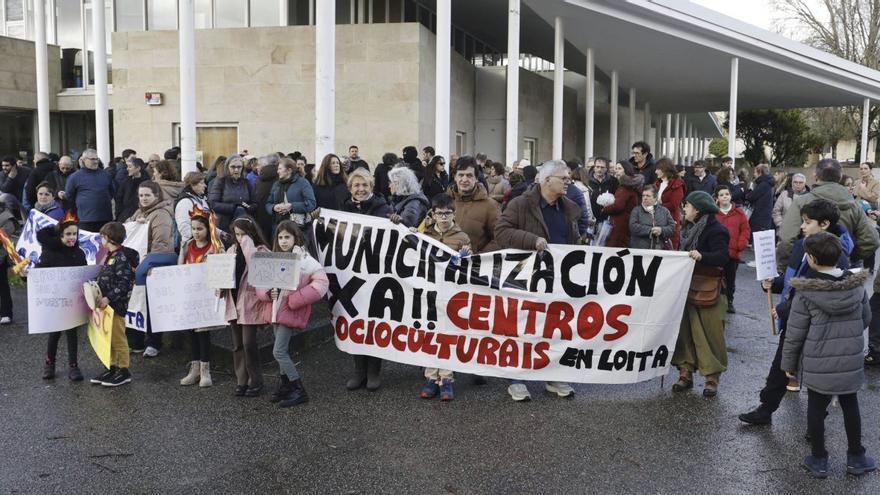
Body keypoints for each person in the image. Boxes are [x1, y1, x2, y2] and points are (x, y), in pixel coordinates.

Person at [740, 199, 853, 425]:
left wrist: (783, 309)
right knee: (781, 364)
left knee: (815, 376)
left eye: (807, 222)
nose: (802, 227)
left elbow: (816, 293)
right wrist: (776, 283)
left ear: (824, 224)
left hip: (817, 326)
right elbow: (796, 280)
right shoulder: (803, 245)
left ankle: (817, 423)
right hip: (794, 321)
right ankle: (766, 408)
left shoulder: (835, 254)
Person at [781, 232, 874, 478]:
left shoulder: (805, 294)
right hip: (850, 359)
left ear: (811, 259)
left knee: (815, 407)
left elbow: (795, 333)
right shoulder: (856, 287)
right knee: (850, 405)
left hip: (817, 361)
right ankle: (856, 456)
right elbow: (866, 319)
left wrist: (789, 364)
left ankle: (819, 458)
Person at [494, 160, 579, 401]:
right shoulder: (520, 204)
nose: (568, 182)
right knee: (522, 326)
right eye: (563, 178)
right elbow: (501, 232)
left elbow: (573, 239)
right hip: (523, 275)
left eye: (568, 178)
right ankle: (516, 378)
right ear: (546, 180)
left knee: (553, 326)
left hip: (557, 277)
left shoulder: (568, 208)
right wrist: (531, 239)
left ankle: (553, 376)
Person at [256, 221, 328, 407]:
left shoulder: (305, 260)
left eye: (287, 237)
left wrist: (296, 299)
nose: (283, 241)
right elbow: (262, 283)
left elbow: (321, 283)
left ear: (296, 237)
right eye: (280, 237)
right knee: (282, 351)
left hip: (289, 310)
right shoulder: (275, 257)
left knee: (278, 351)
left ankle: (299, 389)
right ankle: (286, 386)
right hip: (275, 310)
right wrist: (267, 293)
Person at [672, 191, 730, 397]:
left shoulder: (717, 230)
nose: (684, 209)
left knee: (709, 333)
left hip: (708, 288)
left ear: (697, 210)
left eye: (687, 206)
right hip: (686, 286)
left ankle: (712, 378)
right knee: (685, 332)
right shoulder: (687, 230)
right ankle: (685, 372)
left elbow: (723, 257)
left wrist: (703, 255)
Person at [777, 159, 880, 271]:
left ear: (815, 175)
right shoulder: (854, 205)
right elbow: (871, 240)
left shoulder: (802, 201)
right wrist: (847, 256)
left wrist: (786, 268)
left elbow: (786, 240)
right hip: (841, 270)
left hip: (808, 268)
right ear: (840, 176)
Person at [341, 170, 392, 391]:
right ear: (350, 188)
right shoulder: (343, 209)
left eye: (364, 185)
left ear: (371, 186)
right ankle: (359, 370)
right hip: (351, 274)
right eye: (356, 185)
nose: (360, 189)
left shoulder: (383, 209)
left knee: (373, 320)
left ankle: (373, 371)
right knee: (355, 320)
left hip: (375, 274)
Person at [419, 194, 469, 401]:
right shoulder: (425, 234)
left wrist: (466, 257)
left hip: (450, 294)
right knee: (430, 334)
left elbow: (470, 268)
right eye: (439, 213)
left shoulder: (462, 237)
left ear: (453, 214)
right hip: (429, 291)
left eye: (448, 213)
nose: (444, 217)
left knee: (447, 335)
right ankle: (431, 377)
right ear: (433, 214)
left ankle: (446, 378)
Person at [126, 181, 176, 357]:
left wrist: (147, 264)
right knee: (137, 302)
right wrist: (135, 223)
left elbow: (161, 244)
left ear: (157, 196)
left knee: (150, 303)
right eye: (141, 195)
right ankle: (136, 341)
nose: (144, 199)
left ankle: (154, 342)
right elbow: (126, 230)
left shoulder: (161, 214)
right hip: (141, 261)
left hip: (156, 262)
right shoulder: (140, 212)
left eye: (147, 195)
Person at [35, 213, 87, 381]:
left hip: (72, 302)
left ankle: (73, 366)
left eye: (75, 234)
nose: (72, 237)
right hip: (55, 301)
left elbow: (84, 273)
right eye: (68, 234)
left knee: (72, 334)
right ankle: (49, 363)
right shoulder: (50, 252)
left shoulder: (79, 253)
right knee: (54, 334)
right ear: (61, 236)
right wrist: (25, 275)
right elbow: (39, 273)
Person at [222, 217, 271, 397]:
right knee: (237, 345)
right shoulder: (231, 250)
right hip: (234, 300)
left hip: (250, 302)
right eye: (237, 234)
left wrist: (248, 245)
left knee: (248, 342)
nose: (240, 238)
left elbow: (258, 268)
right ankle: (241, 380)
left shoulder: (261, 250)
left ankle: (256, 380)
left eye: (244, 234)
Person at [177, 207, 223, 388]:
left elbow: (221, 272)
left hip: (205, 296)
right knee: (191, 335)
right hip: (189, 296)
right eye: (193, 229)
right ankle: (194, 369)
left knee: (203, 335)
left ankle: (206, 371)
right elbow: (179, 269)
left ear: (208, 229)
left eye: (200, 229)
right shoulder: (186, 245)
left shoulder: (215, 248)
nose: (196, 233)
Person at [91, 222, 138, 387]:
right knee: (107, 338)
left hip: (115, 307)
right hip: (105, 307)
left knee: (118, 338)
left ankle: (123, 370)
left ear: (108, 238)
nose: (101, 240)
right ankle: (112, 367)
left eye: (102, 237)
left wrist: (108, 298)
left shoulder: (121, 257)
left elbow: (124, 284)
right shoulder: (110, 255)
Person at [447, 156, 500, 253]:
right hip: (444, 264)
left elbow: (500, 238)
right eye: (461, 175)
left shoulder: (490, 206)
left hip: (474, 265)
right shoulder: (444, 201)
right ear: (455, 177)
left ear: (476, 178)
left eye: (469, 175)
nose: (464, 179)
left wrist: (478, 258)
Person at [714, 185, 750, 314]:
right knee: (716, 277)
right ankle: (715, 299)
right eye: (721, 195)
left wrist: (741, 244)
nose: (725, 197)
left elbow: (745, 230)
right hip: (717, 253)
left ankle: (729, 301)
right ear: (717, 198)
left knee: (730, 279)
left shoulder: (739, 213)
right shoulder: (713, 213)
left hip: (733, 253)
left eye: (727, 194)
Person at [65, 149, 114, 232]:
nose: (95, 162)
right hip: (85, 219)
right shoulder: (75, 177)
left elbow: (112, 192)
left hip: (105, 218)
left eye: (96, 159)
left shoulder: (106, 175)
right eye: (92, 159)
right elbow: (69, 195)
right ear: (84, 160)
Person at [208, 155, 257, 231]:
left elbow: (255, 202)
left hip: (242, 224)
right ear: (227, 167)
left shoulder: (246, 183)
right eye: (233, 167)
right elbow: (213, 204)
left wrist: (250, 207)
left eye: (239, 167)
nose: (236, 170)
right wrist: (234, 207)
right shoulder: (220, 182)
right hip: (224, 224)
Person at [266, 157, 316, 230]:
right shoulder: (276, 184)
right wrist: (274, 207)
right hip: (278, 226)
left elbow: (311, 203)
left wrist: (292, 206)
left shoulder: (302, 182)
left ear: (289, 170)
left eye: (280, 169)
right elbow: (268, 203)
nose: (277, 171)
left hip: (297, 228)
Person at [602, 161, 643, 248]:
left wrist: (604, 209)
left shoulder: (625, 187)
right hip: (626, 223)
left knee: (616, 250)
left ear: (626, 171)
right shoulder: (631, 186)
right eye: (616, 168)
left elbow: (618, 206)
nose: (616, 171)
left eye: (619, 169)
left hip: (620, 225)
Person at [628, 185, 674, 250]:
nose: (645, 198)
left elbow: (672, 227)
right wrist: (650, 230)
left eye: (648, 196)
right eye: (643, 195)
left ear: (655, 198)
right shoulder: (636, 210)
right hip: (640, 250)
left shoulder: (664, 211)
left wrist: (661, 230)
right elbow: (633, 226)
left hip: (659, 250)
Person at [654, 158, 685, 249]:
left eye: (657, 169)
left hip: (670, 220)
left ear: (664, 169)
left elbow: (673, 205)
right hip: (656, 220)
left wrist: (656, 205)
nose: (655, 172)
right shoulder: (657, 183)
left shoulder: (677, 184)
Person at [174, 172, 211, 246]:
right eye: (201, 183)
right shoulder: (184, 202)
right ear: (192, 184)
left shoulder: (200, 200)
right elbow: (184, 227)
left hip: (203, 243)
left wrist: (220, 233)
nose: (205, 186)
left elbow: (208, 223)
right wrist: (196, 242)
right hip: (192, 246)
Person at [254, 154, 280, 241]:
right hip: (276, 213)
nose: (257, 167)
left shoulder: (259, 178)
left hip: (260, 213)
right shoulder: (280, 176)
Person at [115, 158, 147, 222]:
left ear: (138, 168)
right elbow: (119, 198)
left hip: (140, 216)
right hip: (125, 216)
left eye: (130, 167)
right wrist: (118, 214)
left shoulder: (146, 182)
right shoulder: (126, 181)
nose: (127, 169)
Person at [746, 163, 775, 233]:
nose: (754, 174)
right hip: (764, 219)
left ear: (760, 173)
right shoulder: (767, 183)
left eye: (755, 172)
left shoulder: (763, 184)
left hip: (760, 219)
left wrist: (748, 192)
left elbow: (751, 197)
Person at [588, 157, 618, 225]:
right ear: (594, 167)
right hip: (591, 219)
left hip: (608, 219)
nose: (599, 169)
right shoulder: (587, 181)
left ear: (606, 169)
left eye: (602, 167)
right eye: (597, 167)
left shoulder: (613, 181)